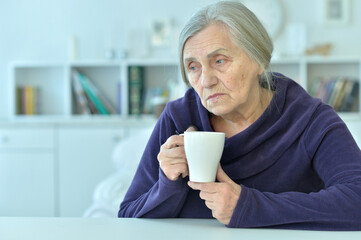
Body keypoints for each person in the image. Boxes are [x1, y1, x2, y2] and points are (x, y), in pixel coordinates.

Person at [118, 1, 361, 230]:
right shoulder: (178, 119)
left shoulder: (309, 119)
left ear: (258, 60)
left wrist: (248, 206)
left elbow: (356, 198)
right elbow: (127, 217)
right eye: (193, 67)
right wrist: (167, 184)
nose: (206, 80)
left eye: (220, 61)